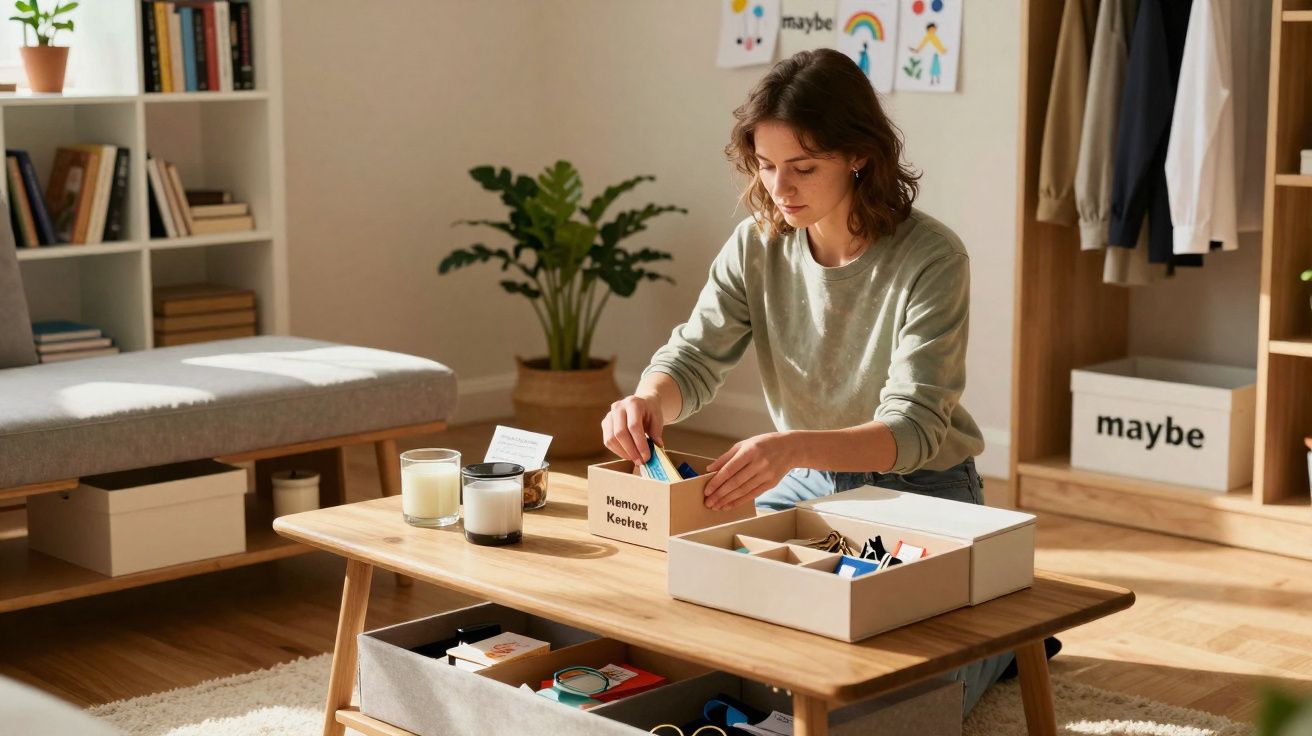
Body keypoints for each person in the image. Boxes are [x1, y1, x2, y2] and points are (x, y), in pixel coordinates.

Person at [599, 48, 1038, 716]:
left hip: (922, 490)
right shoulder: (757, 245)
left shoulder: (932, 258)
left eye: (803, 167)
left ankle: (1002, 642)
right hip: (806, 487)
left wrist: (790, 447)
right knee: (747, 653)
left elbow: (916, 429)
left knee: (900, 699)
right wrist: (647, 398)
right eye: (767, 166)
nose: (781, 187)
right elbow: (695, 355)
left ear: (859, 156)